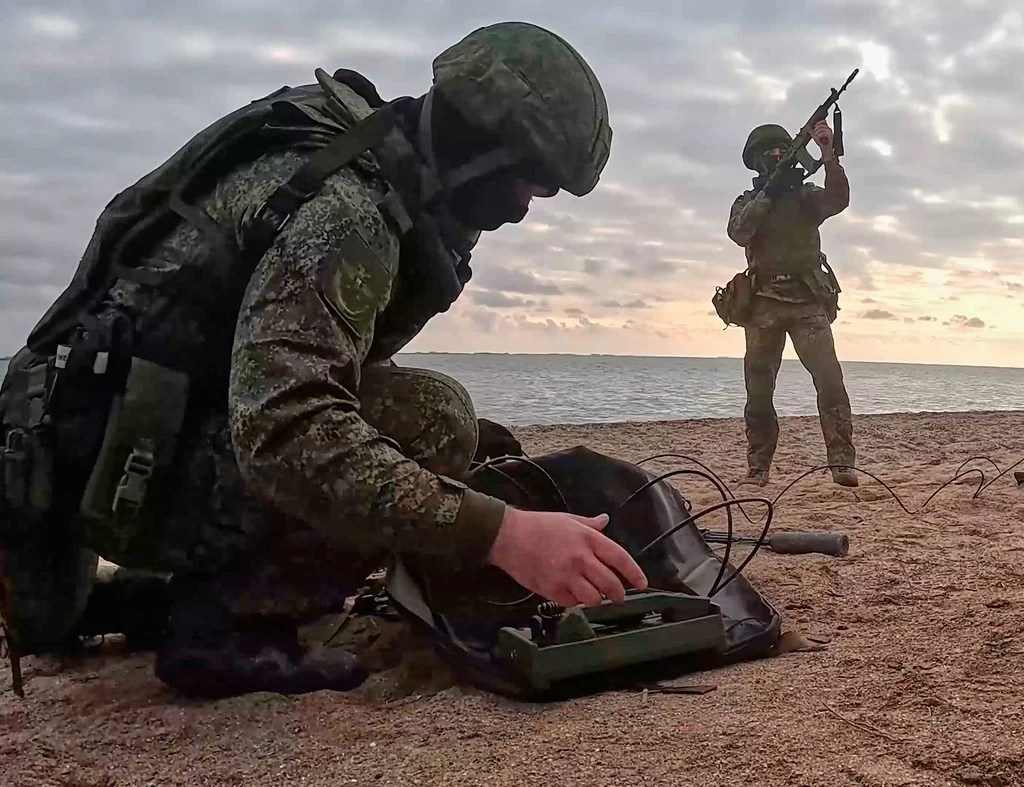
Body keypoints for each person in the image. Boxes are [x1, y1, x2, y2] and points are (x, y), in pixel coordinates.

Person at [0, 22, 649, 699]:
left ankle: (157, 596)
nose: (521, 209)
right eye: (529, 185)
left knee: (454, 434)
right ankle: (227, 624)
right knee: (437, 419)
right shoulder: (349, 211)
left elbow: (298, 368)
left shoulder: (369, 160)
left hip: (103, 450)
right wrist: (502, 533)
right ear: (484, 146)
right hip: (106, 473)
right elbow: (285, 426)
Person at [726, 119, 857, 489]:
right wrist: (768, 194)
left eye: (783, 151)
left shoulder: (806, 197)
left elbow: (839, 198)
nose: (777, 156)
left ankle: (842, 463)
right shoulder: (749, 201)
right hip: (763, 304)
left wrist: (828, 153)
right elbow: (739, 232)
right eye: (770, 153)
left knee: (830, 381)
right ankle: (758, 468)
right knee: (759, 390)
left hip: (807, 303)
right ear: (756, 162)